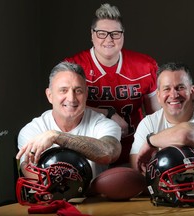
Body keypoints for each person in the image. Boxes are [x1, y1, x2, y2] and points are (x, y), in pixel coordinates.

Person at [64, 3, 161, 166]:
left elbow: (157, 117)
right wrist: (107, 113)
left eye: (115, 34)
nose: (109, 39)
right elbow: (64, 110)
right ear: (92, 35)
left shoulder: (145, 66)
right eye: (102, 33)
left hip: (135, 150)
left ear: (123, 35)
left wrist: (154, 148)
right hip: (89, 152)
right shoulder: (73, 67)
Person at [130, 62, 194, 200]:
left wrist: (150, 141)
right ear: (158, 96)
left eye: (180, 87)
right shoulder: (148, 124)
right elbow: (138, 175)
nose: (173, 95)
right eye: (166, 89)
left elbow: (185, 134)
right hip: (167, 207)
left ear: (192, 91)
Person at [16, 61, 122, 178]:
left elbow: (109, 153)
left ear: (86, 94)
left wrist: (57, 136)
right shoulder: (33, 130)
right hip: (50, 195)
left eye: (78, 91)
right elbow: (31, 176)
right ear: (49, 95)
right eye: (63, 90)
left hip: (93, 196)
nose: (71, 98)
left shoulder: (104, 124)